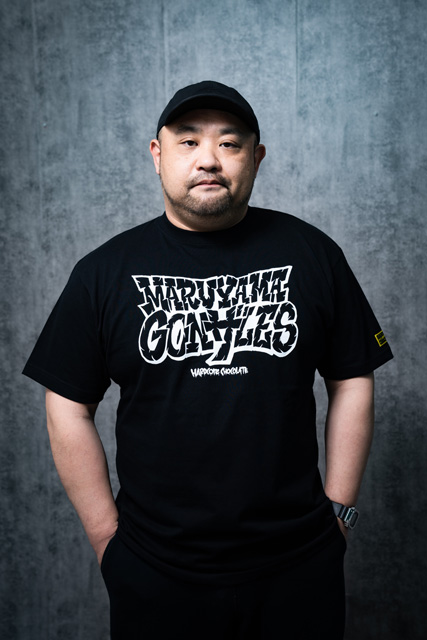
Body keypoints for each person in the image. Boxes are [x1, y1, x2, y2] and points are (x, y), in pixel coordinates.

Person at [23, 80, 393, 639]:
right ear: (158, 155)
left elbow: (352, 378)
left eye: (229, 143)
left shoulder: (313, 253)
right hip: (155, 571)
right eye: (189, 141)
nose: (208, 160)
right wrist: (106, 538)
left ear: (256, 158)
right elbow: (67, 403)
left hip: (299, 566)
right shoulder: (103, 272)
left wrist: (339, 513)